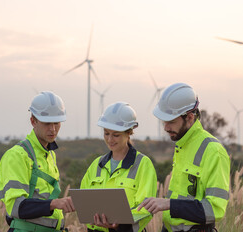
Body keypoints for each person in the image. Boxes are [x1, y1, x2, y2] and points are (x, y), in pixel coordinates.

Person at [138, 83, 230, 232]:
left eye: (171, 122)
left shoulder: (213, 151)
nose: (166, 127)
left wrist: (169, 204)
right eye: (164, 121)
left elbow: (215, 209)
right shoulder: (182, 145)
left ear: (189, 117)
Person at [0, 91, 75, 232]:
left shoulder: (50, 155)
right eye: (47, 123)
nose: (53, 129)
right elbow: (16, 206)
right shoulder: (17, 155)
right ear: (33, 121)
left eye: (57, 123)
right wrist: (55, 204)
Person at [81, 102, 157, 232]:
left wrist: (120, 224)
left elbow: (146, 208)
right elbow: (83, 204)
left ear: (129, 133)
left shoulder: (143, 165)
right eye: (106, 133)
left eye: (116, 135)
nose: (110, 139)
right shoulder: (96, 165)